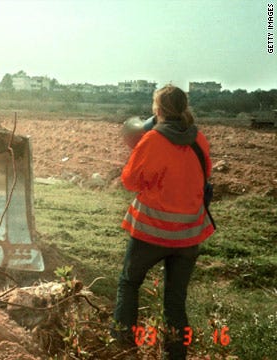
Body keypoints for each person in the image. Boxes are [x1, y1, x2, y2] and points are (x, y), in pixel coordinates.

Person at [112, 84, 215, 359]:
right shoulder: (198, 139)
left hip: (152, 232)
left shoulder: (153, 140)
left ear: (157, 110)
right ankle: (176, 354)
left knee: (129, 283)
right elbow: (206, 174)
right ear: (184, 108)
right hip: (189, 235)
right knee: (175, 300)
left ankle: (123, 348)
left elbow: (130, 181)